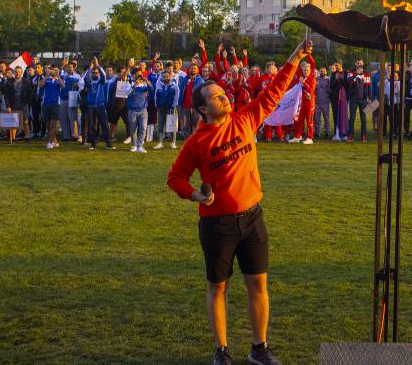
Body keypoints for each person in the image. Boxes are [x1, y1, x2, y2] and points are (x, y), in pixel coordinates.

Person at [166, 38, 310, 365]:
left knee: (258, 284)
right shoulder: (196, 143)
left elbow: (274, 90)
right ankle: (222, 351)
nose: (224, 97)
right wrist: (195, 194)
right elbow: (174, 177)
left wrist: (295, 56)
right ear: (203, 108)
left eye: (223, 93)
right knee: (218, 289)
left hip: (252, 218)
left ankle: (259, 348)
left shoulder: (245, 118)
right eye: (217, 97)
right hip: (217, 225)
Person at [83, 58, 113, 150]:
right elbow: (85, 77)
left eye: (96, 73)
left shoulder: (101, 81)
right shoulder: (89, 82)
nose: (95, 74)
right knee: (91, 125)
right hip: (91, 106)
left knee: (104, 124)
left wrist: (98, 65)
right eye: (93, 72)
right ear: (91, 73)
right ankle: (93, 144)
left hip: (100, 105)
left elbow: (103, 75)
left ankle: (108, 144)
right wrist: (91, 67)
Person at [154, 68, 181, 150]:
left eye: (167, 76)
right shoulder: (159, 85)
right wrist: (157, 106)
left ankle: (173, 142)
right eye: (164, 77)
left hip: (171, 109)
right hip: (161, 109)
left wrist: (173, 107)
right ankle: (160, 142)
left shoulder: (174, 86)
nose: (165, 78)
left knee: (172, 126)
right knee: (160, 126)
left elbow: (176, 98)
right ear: (162, 77)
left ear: (170, 77)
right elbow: (156, 96)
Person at [127, 70, 152, 153]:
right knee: (133, 129)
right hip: (132, 110)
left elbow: (151, 89)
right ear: (134, 75)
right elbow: (126, 93)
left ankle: (140, 146)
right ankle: (134, 145)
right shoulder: (129, 83)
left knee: (143, 128)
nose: (140, 76)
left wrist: (147, 81)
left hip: (143, 110)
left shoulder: (144, 83)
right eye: (138, 75)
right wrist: (135, 85)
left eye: (141, 75)